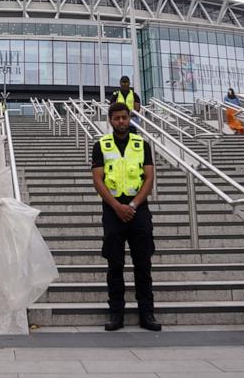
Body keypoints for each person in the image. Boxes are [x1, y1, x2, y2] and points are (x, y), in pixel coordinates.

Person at [90, 102, 160, 332]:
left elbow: (149, 178)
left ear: (129, 118)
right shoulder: (101, 145)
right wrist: (117, 206)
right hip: (112, 211)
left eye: (125, 117)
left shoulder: (142, 145)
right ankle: (116, 313)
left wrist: (132, 205)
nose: (121, 121)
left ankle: (146, 313)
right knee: (115, 264)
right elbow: (98, 179)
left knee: (143, 264)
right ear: (110, 120)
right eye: (117, 118)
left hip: (138, 210)